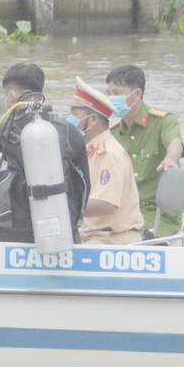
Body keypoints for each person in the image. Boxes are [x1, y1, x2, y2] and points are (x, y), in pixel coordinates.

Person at [0, 62, 89, 243]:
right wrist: (73, 227)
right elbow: (84, 187)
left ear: (11, 96)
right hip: (61, 233)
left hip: (9, 235)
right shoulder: (69, 131)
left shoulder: (1, 131)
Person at [105, 64, 184, 236]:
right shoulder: (111, 132)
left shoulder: (163, 121)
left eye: (117, 93)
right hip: (121, 212)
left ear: (137, 94)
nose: (111, 99)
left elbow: (174, 142)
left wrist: (171, 159)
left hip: (157, 215)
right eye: (109, 93)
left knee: (127, 235)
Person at [68, 77, 144, 245]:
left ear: (93, 119)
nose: (69, 118)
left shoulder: (108, 153)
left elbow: (106, 204)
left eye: (74, 112)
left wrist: (66, 206)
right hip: (90, 236)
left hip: (111, 240)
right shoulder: (86, 150)